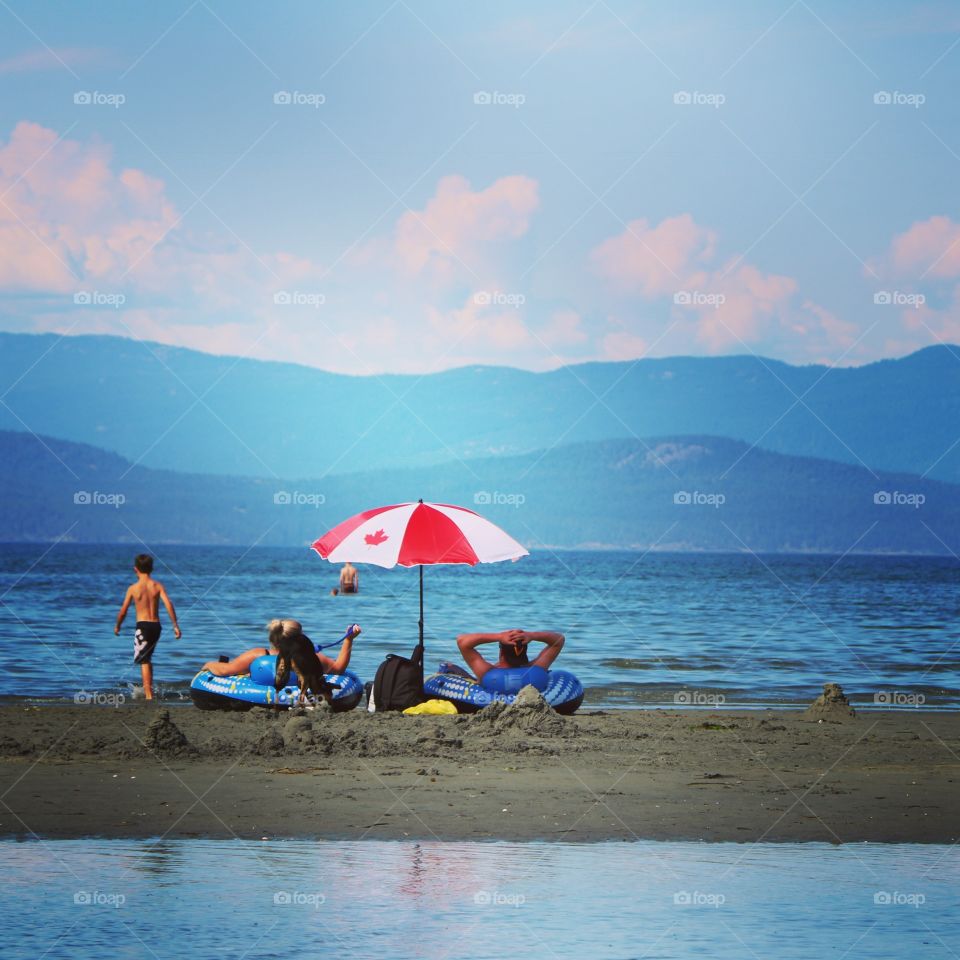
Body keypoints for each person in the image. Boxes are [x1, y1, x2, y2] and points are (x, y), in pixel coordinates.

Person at [114, 554, 181, 700]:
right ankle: (149, 690)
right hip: (156, 626)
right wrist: (175, 625)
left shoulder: (133, 588)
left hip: (143, 626)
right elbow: (169, 604)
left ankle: (149, 695)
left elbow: (123, 610)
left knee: (143, 660)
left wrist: (118, 626)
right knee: (147, 658)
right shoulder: (157, 586)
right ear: (151, 568)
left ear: (135, 569)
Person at [201, 618, 357, 677]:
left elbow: (225, 670)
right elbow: (338, 669)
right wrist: (348, 639)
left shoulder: (258, 655)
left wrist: (208, 665)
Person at [456, 629, 564, 681]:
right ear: (524, 651)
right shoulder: (536, 669)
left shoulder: (487, 672)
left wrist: (499, 636)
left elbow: (462, 641)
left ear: (501, 652)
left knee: (452, 669)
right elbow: (559, 640)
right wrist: (531, 635)